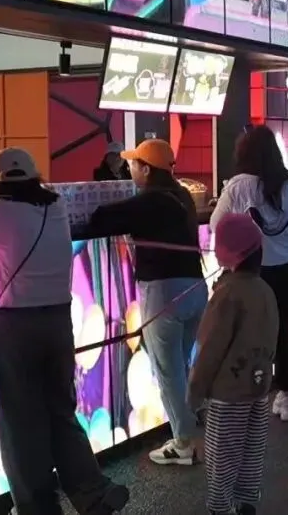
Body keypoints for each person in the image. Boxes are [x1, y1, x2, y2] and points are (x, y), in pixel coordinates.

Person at [0, 148, 130, 515]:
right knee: (61, 410)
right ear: (34, 176)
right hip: (59, 322)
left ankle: (37, 506)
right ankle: (94, 492)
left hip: (17, 326)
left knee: (20, 421)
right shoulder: (55, 205)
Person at [88, 139, 209, 466]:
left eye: (133, 164)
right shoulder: (181, 195)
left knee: (168, 372)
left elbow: (99, 219)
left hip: (163, 293)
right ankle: (188, 424)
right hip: (195, 288)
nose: (129, 169)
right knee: (181, 365)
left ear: (146, 168)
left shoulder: (147, 202)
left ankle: (183, 442)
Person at [210, 126, 288, 422]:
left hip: (252, 271)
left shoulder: (238, 186)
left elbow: (217, 224)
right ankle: (287, 398)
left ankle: (251, 397)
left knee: (252, 333)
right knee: (286, 330)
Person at [188, 213, 278, 515]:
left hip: (227, 394)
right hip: (259, 387)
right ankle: (246, 503)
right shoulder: (264, 290)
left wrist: (195, 391)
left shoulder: (227, 295)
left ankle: (220, 507)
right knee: (251, 451)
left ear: (231, 254)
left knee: (221, 455)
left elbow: (209, 348)